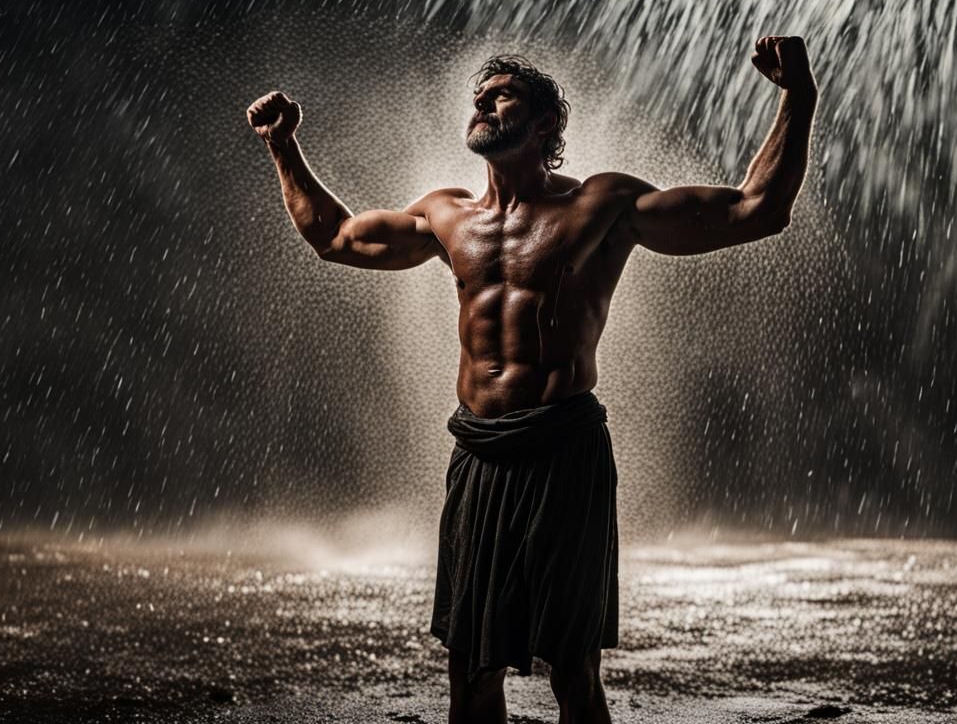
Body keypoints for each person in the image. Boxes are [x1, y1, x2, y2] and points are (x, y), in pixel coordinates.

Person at [247, 36, 817, 724]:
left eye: (502, 95)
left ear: (545, 124)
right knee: (469, 666)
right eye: (479, 96)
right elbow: (335, 238)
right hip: (481, 456)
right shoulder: (445, 213)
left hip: (563, 452)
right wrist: (284, 146)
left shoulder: (603, 205)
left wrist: (797, 97)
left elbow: (756, 210)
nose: (483, 102)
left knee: (572, 668)